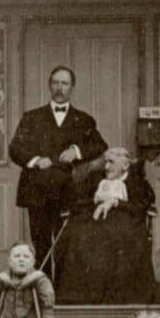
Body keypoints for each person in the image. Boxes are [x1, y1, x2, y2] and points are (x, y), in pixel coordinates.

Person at [9, 66, 108, 275]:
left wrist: (76, 151)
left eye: (64, 83)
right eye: (55, 83)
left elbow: (100, 146)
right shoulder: (31, 117)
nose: (59, 88)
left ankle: (63, 290)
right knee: (41, 243)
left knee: (66, 245)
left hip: (69, 191)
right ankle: (43, 287)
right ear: (49, 85)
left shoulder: (84, 120)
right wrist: (36, 160)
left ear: (72, 87)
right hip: (37, 190)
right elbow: (15, 149)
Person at [56, 147, 155, 304]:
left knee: (121, 238)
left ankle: (118, 297)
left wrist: (116, 202)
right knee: (76, 236)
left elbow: (141, 205)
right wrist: (97, 200)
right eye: (106, 162)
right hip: (93, 221)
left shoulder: (137, 182)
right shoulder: (96, 178)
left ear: (125, 166)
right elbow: (78, 200)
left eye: (111, 162)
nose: (107, 167)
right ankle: (81, 296)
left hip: (125, 223)